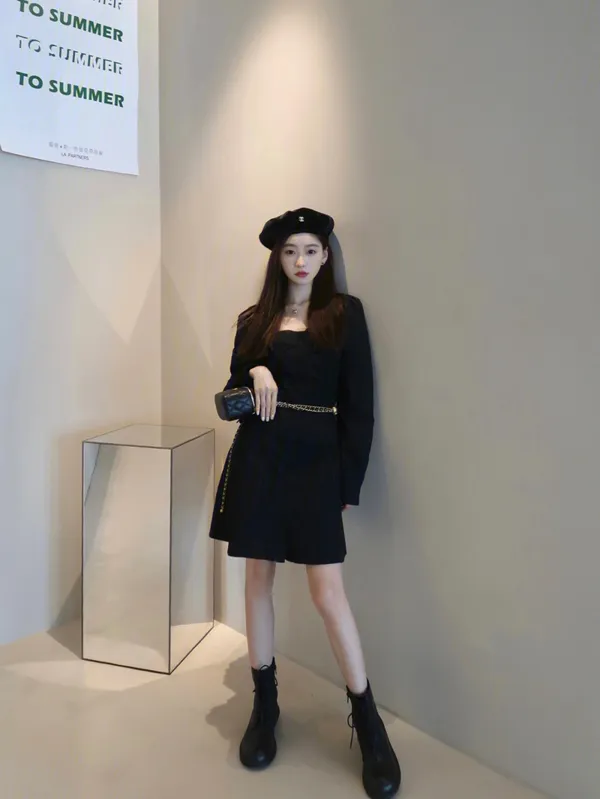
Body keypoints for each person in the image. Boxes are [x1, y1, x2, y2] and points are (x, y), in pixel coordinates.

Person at [209, 208, 401, 799]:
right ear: (278, 257)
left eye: (311, 250)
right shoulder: (254, 319)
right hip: (260, 459)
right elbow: (233, 388)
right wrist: (257, 368)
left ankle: (368, 722)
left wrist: (347, 484)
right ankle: (265, 706)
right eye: (290, 250)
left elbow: (360, 407)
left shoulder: (344, 313)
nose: (300, 261)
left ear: (325, 256)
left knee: (327, 593)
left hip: (317, 465)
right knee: (257, 580)